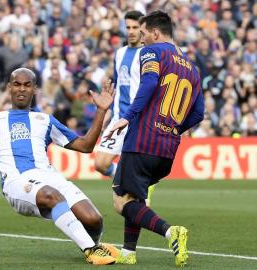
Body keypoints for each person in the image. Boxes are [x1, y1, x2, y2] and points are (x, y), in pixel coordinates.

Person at [0, 68, 118, 265]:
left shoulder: (45, 120)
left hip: (50, 177)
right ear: (9, 88)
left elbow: (85, 146)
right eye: (17, 84)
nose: (21, 89)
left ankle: (95, 244)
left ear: (35, 89)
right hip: (16, 182)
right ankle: (91, 250)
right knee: (51, 195)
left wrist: (101, 111)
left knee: (94, 220)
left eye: (27, 85)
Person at [106, 11, 204, 266]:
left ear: (156, 33)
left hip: (142, 141)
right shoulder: (192, 68)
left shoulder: (152, 53)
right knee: (135, 197)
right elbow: (198, 113)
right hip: (168, 149)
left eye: (144, 32)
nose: (141, 37)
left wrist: (128, 116)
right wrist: (172, 128)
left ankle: (171, 232)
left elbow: (148, 82)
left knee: (120, 201)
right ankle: (128, 252)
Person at [94, 10, 156, 206]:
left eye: (135, 28)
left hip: (138, 121)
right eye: (128, 27)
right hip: (118, 118)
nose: (131, 31)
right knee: (100, 164)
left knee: (134, 190)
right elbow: (120, 85)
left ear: (142, 29)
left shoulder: (148, 54)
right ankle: (130, 184)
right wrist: (108, 112)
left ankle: (139, 197)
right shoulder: (119, 53)